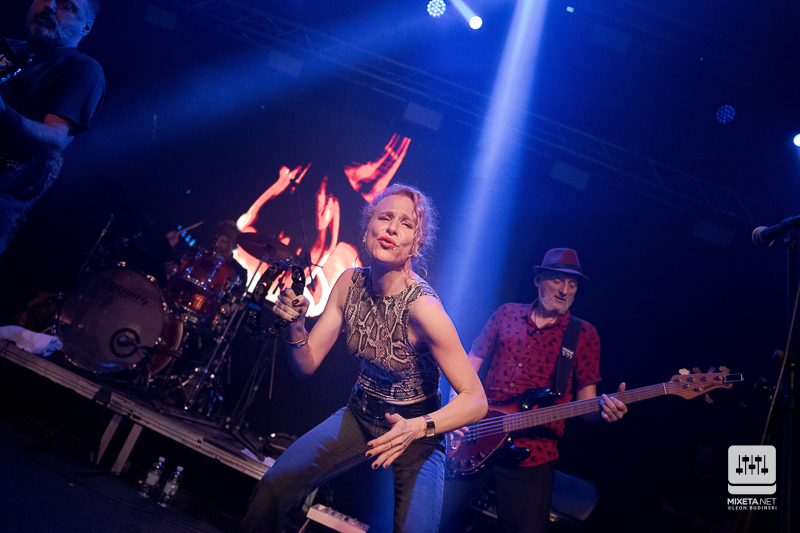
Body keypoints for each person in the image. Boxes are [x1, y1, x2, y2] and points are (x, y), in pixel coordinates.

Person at [239, 184, 488, 533]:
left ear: (416, 244)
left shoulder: (425, 310)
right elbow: (305, 366)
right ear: (368, 226)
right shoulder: (348, 284)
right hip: (359, 415)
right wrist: (295, 327)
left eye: (405, 224)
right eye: (384, 218)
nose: (391, 228)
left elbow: (476, 400)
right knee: (274, 487)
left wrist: (417, 427)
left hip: (416, 433)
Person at [439, 248, 628, 533]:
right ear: (538, 279)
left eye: (573, 284)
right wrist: (455, 416)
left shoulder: (584, 334)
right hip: (476, 436)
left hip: (533, 453)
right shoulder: (506, 313)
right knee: (426, 515)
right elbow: (468, 366)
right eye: (558, 280)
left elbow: (586, 406)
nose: (565, 290)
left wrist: (604, 413)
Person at [0, 0, 105, 258]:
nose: (48, 6)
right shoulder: (8, 48)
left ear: (86, 27)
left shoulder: (82, 69)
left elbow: (54, 141)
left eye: (67, 5)